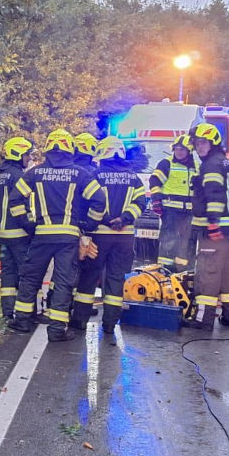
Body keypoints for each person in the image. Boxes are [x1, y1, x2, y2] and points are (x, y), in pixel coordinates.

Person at [7, 128, 106, 342]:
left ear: (48, 148)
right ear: (70, 149)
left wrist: (28, 224)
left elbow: (15, 199)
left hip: (41, 235)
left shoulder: (35, 173)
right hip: (68, 237)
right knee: (63, 281)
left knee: (30, 277)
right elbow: (99, 198)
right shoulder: (80, 173)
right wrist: (88, 223)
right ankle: (57, 330)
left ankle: (22, 320)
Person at [71, 136, 147, 344]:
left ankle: (79, 321)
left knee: (89, 277)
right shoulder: (134, 178)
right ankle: (110, 324)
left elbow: (90, 202)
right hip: (124, 238)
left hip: (99, 236)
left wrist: (99, 221)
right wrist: (124, 219)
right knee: (115, 279)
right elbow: (141, 202)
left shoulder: (95, 175)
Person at [184, 123, 229, 329]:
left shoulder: (211, 165)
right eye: (197, 143)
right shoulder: (224, 162)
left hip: (213, 228)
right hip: (225, 227)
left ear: (213, 143)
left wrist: (213, 223)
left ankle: (203, 319)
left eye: (203, 143)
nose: (199, 147)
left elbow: (214, 194)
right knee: (225, 274)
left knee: (208, 273)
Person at [0, 136, 34, 319]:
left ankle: (8, 313)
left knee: (8, 274)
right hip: (18, 233)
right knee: (27, 272)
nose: (29, 159)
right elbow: (23, 205)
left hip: (2, 234)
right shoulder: (19, 176)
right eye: (26, 155)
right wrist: (31, 226)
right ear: (17, 154)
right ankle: (28, 311)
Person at [148, 134, 197, 271]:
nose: (179, 152)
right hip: (170, 211)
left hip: (189, 212)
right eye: (176, 149)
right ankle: (164, 271)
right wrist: (156, 201)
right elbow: (155, 181)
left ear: (189, 151)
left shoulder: (196, 167)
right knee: (168, 241)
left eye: (182, 149)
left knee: (187, 243)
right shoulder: (166, 163)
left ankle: (185, 271)